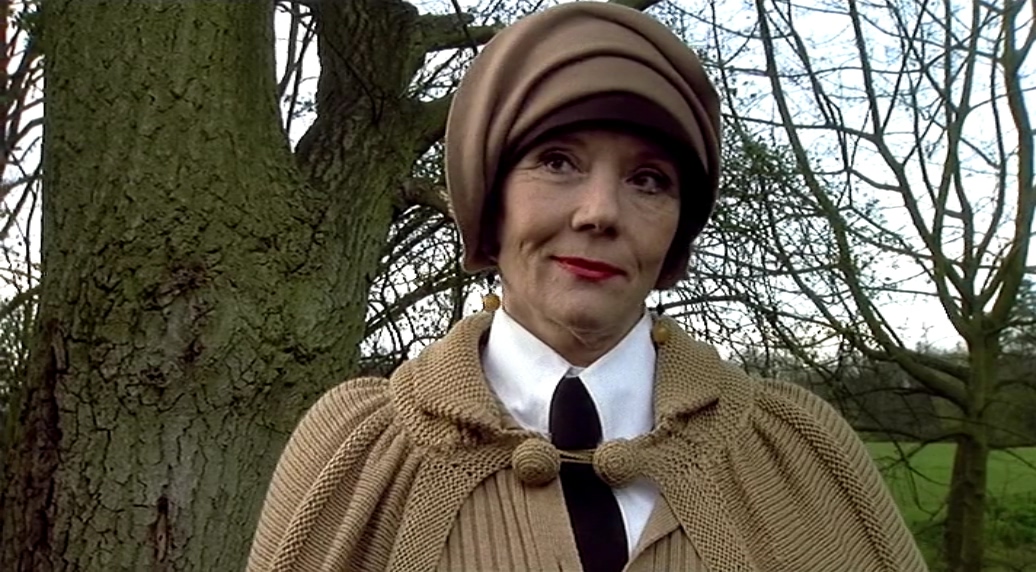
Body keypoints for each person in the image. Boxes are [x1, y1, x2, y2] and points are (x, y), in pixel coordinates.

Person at [246, 3, 927, 571]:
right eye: (557, 161)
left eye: (649, 180)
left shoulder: (801, 451)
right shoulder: (357, 451)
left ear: (677, 230)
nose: (600, 212)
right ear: (490, 197)